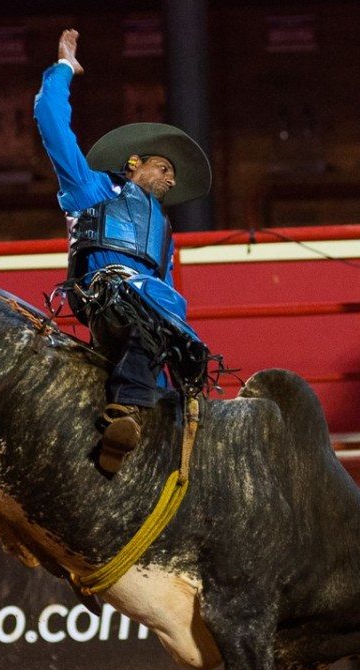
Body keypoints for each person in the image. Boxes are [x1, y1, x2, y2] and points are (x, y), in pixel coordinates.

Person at [35, 28, 212, 473]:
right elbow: (52, 122)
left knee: (175, 333)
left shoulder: (164, 232)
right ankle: (127, 410)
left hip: (149, 312)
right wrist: (62, 70)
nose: (171, 181)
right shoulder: (92, 188)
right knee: (151, 314)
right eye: (165, 168)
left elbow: (168, 291)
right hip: (106, 298)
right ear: (135, 162)